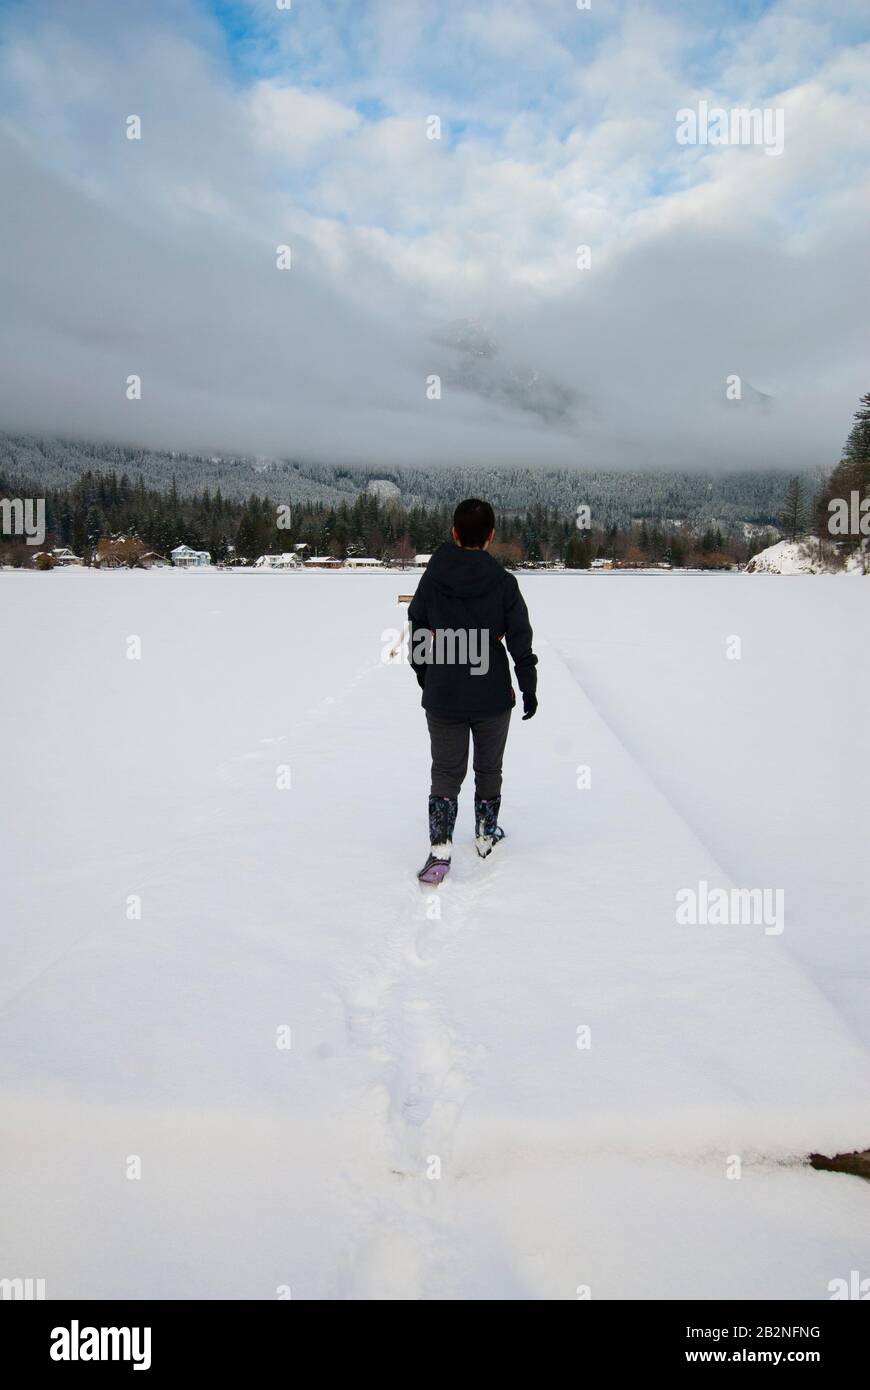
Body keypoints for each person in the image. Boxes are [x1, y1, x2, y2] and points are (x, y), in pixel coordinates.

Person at [408, 498, 538, 883]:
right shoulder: (503, 582)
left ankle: (440, 848)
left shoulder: (432, 578)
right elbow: (520, 640)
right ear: (491, 536)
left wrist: (425, 673)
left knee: (446, 771)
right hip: (492, 695)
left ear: (453, 533)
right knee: (488, 768)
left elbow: (416, 627)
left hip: (444, 693)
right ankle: (485, 837)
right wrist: (528, 687)